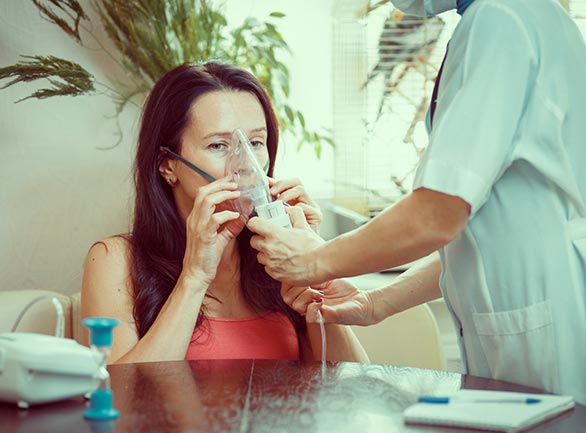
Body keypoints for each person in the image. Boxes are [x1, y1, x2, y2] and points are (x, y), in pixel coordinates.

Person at [247, 0, 586, 404]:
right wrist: (375, 301)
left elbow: (436, 216)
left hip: (548, 326)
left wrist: (315, 260)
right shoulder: (525, 18)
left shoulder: (501, 19)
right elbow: (480, 236)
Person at [81, 61, 368, 364]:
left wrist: (313, 267)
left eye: (256, 142)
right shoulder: (115, 261)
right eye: (219, 145)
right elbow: (118, 399)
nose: (245, 164)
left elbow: (351, 388)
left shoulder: (275, 262)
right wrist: (194, 277)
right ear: (167, 164)